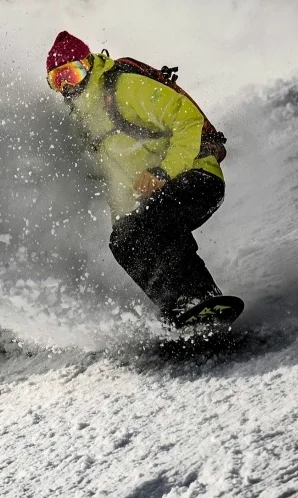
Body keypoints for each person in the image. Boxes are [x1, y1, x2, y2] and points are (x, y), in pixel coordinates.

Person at [45, 30, 227, 326]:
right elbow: (116, 177)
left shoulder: (123, 88)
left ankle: (201, 298)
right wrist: (124, 220)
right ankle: (178, 310)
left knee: (157, 216)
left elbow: (187, 118)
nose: (67, 86)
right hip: (157, 195)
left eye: (72, 74)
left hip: (197, 175)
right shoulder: (85, 120)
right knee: (123, 241)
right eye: (58, 80)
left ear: (89, 65)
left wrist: (163, 171)